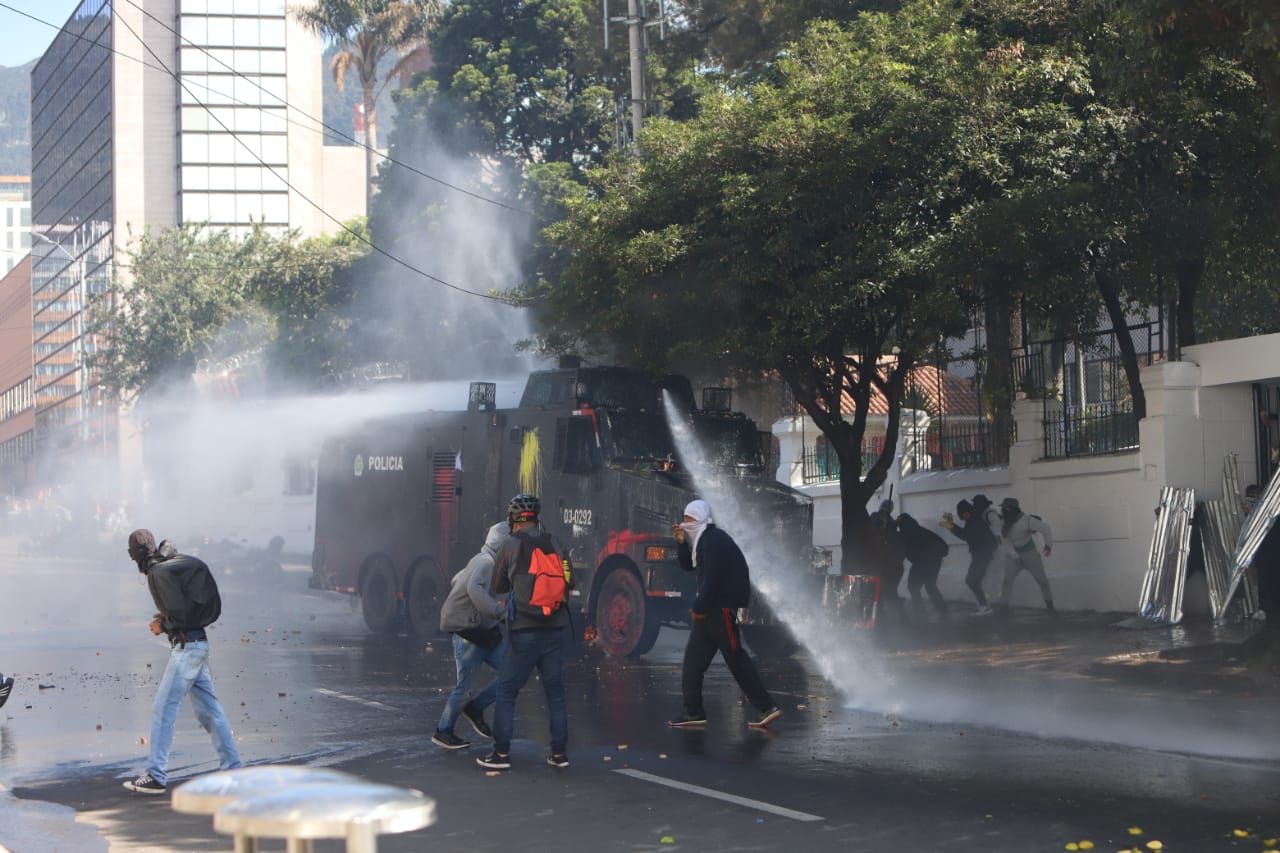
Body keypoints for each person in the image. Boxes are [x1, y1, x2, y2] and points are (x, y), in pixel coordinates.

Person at [123, 530, 242, 794]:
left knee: (164, 707)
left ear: (136, 557)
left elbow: (180, 612)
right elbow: (182, 608)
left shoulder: (158, 572)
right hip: (196, 644)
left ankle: (156, 776)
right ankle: (233, 770)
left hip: (187, 648)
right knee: (209, 711)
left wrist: (161, 625)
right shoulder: (169, 565)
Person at [477, 494, 573, 771]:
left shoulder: (510, 545)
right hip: (555, 629)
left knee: (507, 690)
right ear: (536, 517)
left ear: (513, 519)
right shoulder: (556, 543)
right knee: (555, 692)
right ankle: (559, 754)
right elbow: (569, 580)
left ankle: (501, 754)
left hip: (524, 630)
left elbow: (497, 585)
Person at [666, 499, 781, 730]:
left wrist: (699, 606)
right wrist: (681, 543)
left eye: (688, 518)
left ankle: (767, 706)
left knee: (736, 657)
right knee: (693, 662)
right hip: (710, 610)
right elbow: (690, 566)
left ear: (699, 518)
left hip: (719, 609)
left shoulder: (713, 539)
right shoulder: (702, 541)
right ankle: (693, 711)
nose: (684, 522)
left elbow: (714, 578)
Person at [434, 521, 509, 750]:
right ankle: (443, 731)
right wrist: (499, 611)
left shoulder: (483, 560)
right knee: (465, 686)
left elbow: (458, 579)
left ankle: (475, 708)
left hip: (482, 631)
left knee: (513, 671)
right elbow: (474, 589)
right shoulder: (486, 562)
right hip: (468, 631)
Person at [941, 498, 999, 615]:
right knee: (974, 580)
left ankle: (984, 606)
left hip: (982, 554)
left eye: (962, 514)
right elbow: (967, 535)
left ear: (966, 512)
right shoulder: (973, 519)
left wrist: (951, 526)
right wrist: (951, 524)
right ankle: (984, 604)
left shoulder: (974, 521)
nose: (962, 516)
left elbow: (965, 535)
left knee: (971, 580)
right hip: (982, 554)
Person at [996, 498, 1055, 613]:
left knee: (1043, 581)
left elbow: (1046, 528)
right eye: (1002, 508)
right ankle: (1004, 609)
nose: (1002, 510)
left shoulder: (1027, 520)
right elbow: (1005, 540)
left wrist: (1048, 546)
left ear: (1011, 509)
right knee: (1007, 582)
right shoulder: (1004, 522)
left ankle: (1051, 608)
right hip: (1013, 555)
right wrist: (1015, 556)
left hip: (1029, 553)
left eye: (1005, 508)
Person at [896, 513, 950, 619]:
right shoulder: (920, 530)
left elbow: (902, 551)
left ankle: (920, 610)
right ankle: (942, 609)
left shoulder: (904, 534)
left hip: (922, 563)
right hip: (933, 562)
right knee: (930, 586)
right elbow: (943, 546)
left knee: (913, 586)